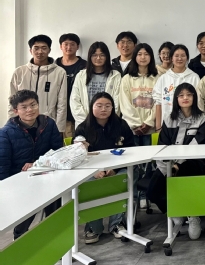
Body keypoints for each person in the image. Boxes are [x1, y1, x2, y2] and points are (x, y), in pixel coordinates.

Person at [147, 83, 205, 241]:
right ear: (176, 99)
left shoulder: (202, 119)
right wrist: (166, 167)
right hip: (167, 164)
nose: (185, 98)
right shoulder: (169, 119)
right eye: (181, 95)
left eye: (189, 95)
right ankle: (175, 211)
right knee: (152, 192)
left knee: (185, 185)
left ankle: (193, 215)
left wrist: (177, 164)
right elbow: (162, 146)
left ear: (194, 97)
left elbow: (196, 145)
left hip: (191, 163)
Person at [0, 90, 63, 239]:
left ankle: (56, 239)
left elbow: (58, 151)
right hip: (21, 181)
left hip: (47, 176)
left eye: (33, 105)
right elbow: (3, 164)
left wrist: (37, 163)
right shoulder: (6, 133)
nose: (30, 110)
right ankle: (19, 238)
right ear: (16, 111)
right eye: (24, 107)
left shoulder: (49, 123)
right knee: (25, 216)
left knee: (56, 208)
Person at [74, 92, 134, 244]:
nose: (103, 109)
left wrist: (114, 169)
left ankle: (117, 224)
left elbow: (131, 151)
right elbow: (77, 157)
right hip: (91, 171)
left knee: (126, 176)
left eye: (108, 106)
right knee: (88, 184)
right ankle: (93, 227)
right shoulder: (82, 129)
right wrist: (95, 172)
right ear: (91, 107)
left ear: (113, 108)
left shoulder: (121, 125)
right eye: (99, 106)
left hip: (117, 168)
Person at [8, 35, 67, 134]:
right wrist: (12, 124)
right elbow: (11, 100)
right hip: (22, 124)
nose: (40, 52)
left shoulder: (59, 72)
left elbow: (62, 103)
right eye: (36, 48)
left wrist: (59, 128)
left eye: (44, 48)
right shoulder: (19, 72)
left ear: (49, 50)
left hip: (48, 123)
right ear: (30, 50)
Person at [71, 42, 122, 129]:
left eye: (102, 55)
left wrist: (106, 120)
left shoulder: (115, 75)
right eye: (94, 55)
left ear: (107, 57)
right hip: (85, 124)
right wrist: (88, 121)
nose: (98, 58)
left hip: (108, 124)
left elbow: (117, 101)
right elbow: (74, 101)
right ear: (90, 57)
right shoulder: (81, 75)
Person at [120, 44, 160, 146]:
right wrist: (136, 124)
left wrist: (149, 122)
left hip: (151, 129)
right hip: (131, 129)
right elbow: (125, 104)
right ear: (135, 57)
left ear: (151, 57)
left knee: (151, 155)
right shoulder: (126, 79)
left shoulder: (158, 78)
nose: (143, 57)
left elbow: (158, 103)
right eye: (139, 54)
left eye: (146, 54)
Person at [152, 44, 200, 130]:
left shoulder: (194, 77)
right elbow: (158, 103)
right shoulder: (163, 78)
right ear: (171, 58)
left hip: (190, 126)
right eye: (176, 56)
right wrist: (158, 127)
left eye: (183, 56)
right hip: (167, 127)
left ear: (187, 58)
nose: (179, 58)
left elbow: (198, 102)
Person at [56, 33, 87, 138]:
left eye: (72, 44)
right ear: (61, 46)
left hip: (78, 113)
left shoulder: (85, 66)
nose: (69, 47)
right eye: (66, 44)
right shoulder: (54, 66)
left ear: (77, 47)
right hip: (58, 114)